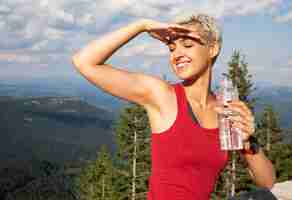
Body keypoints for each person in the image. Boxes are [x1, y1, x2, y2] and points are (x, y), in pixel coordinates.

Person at [72, 14, 275, 200]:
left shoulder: (225, 110)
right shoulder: (163, 96)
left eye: (187, 44)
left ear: (213, 49)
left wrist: (249, 141)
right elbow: (84, 62)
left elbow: (267, 182)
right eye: (171, 48)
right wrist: (141, 25)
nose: (177, 54)